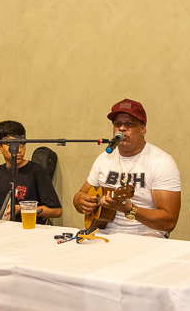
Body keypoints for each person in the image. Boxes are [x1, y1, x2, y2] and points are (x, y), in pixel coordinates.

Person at [72, 99, 181, 237]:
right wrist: (79, 201)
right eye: (117, 124)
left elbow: (169, 222)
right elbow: (82, 193)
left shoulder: (161, 162)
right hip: (103, 233)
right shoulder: (104, 158)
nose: (122, 128)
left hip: (147, 236)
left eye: (129, 124)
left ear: (143, 129)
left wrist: (130, 209)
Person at [0, 120, 62, 223]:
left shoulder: (37, 171)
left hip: (29, 228)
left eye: (22, 144)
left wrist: (21, 209)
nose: (18, 149)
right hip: (0, 228)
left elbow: (56, 211)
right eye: (12, 145)